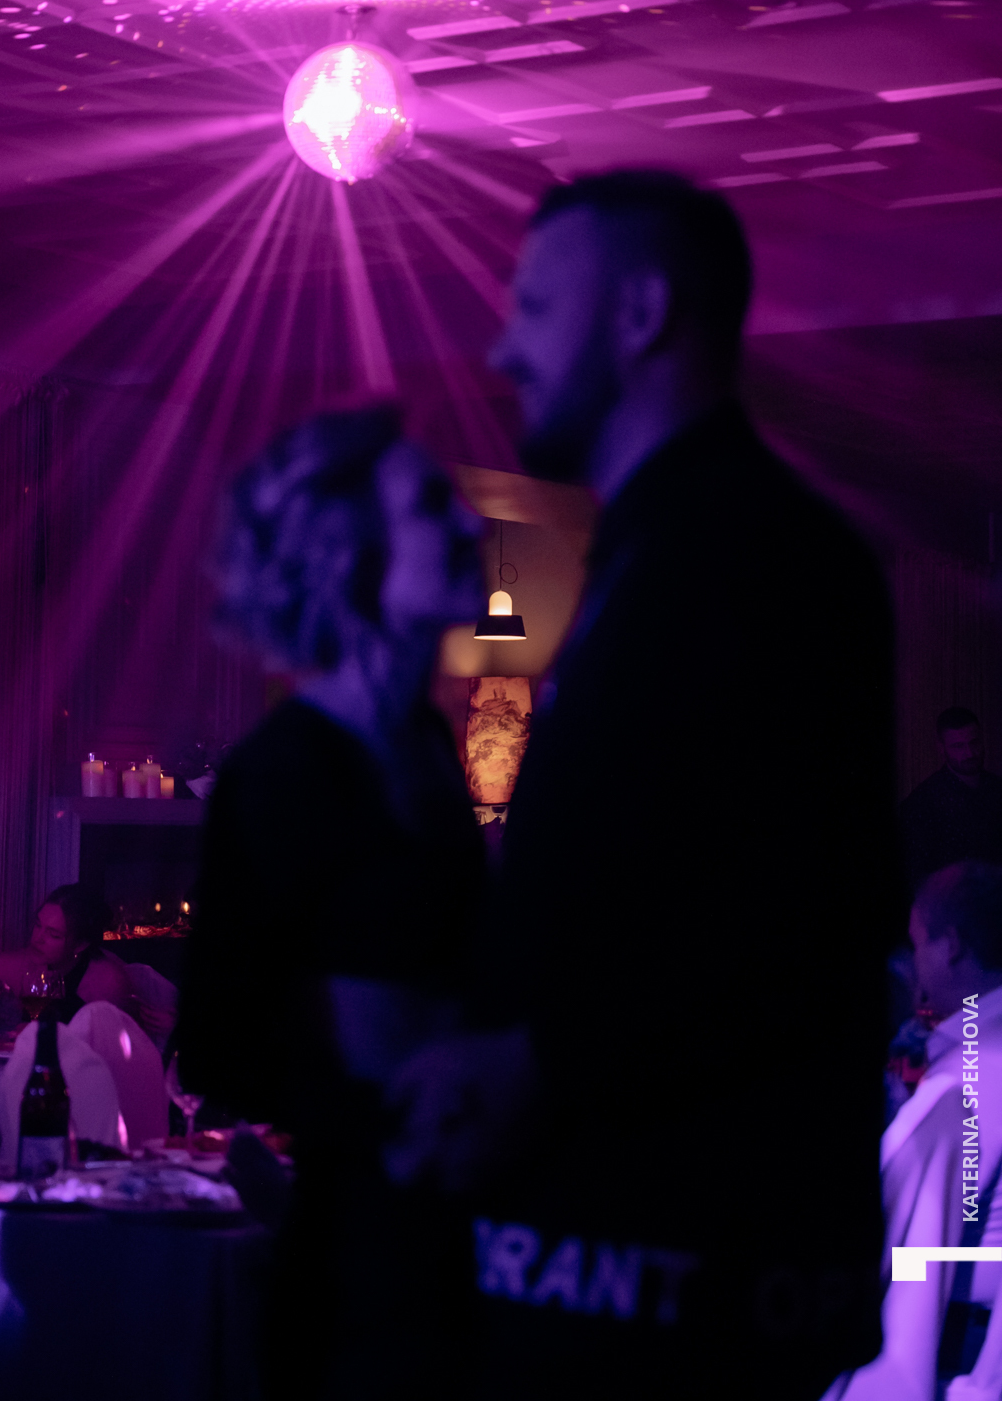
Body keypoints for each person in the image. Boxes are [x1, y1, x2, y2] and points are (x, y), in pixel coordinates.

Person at [387, 170, 897, 1400]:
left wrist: (533, 1061)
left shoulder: (756, 553)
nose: (502, 350)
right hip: (635, 1256)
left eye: (533, 306)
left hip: (672, 1270)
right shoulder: (668, 543)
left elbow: (787, 922)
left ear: (640, 313)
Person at [177, 405, 486, 1401]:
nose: (470, 523)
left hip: (458, 1240)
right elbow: (218, 1042)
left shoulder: (427, 749)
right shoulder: (282, 772)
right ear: (352, 556)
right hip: (360, 1274)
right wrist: (382, 1087)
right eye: (432, 504)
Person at [829, 862, 1002, 1400]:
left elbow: (894, 1228)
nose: (914, 963)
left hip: (958, 1350)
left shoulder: (969, 1076)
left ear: (951, 946)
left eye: (918, 942)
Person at [0, 883, 134, 1020]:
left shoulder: (107, 984)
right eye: (38, 925)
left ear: (80, 945)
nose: (38, 938)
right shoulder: (28, 961)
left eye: (53, 934)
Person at [900, 709, 1002, 894]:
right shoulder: (923, 803)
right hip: (951, 905)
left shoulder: (996, 789)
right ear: (942, 748)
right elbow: (915, 874)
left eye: (974, 742)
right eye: (958, 746)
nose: (969, 753)